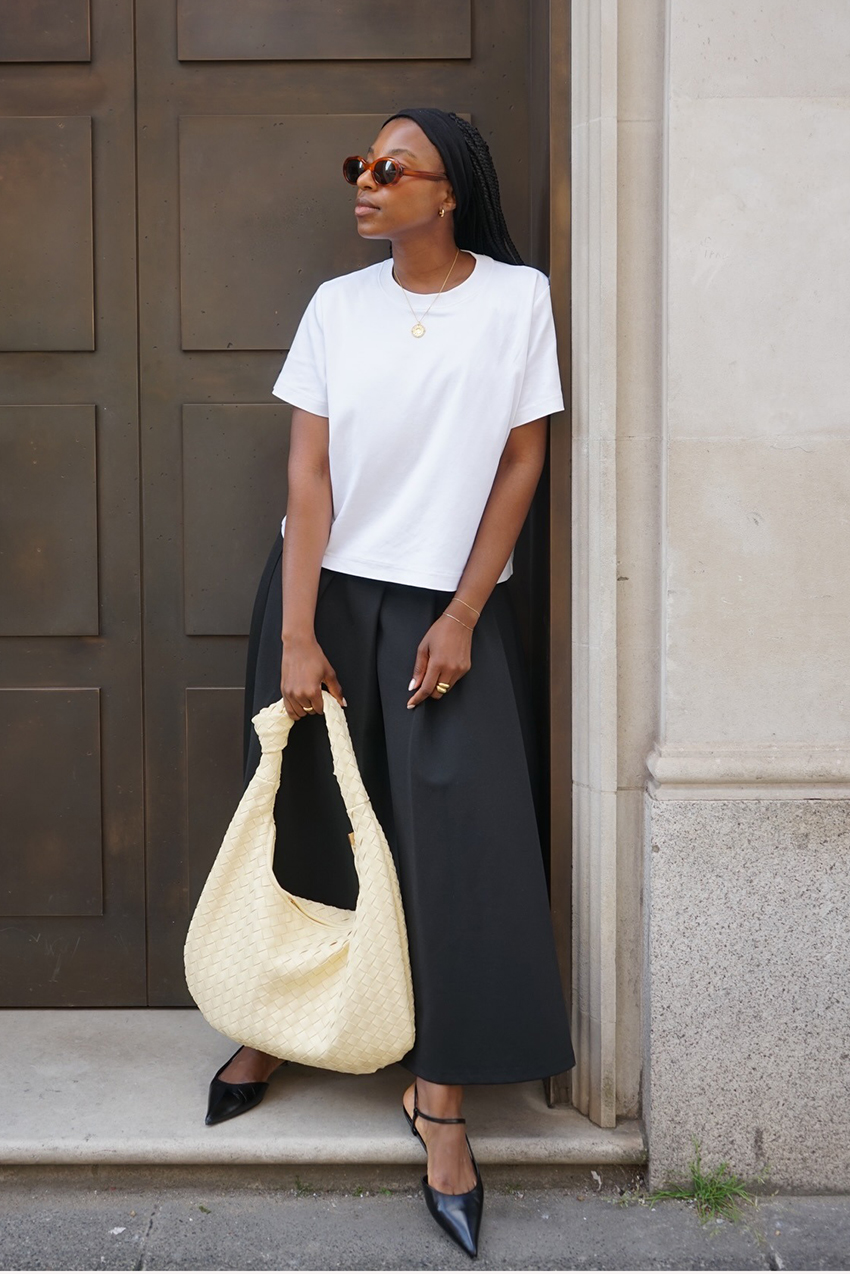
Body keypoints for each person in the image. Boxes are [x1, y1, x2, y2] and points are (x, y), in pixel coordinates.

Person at [203, 106, 576, 1259]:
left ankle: (444, 1104)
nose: (364, 182)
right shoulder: (337, 305)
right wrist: (297, 633)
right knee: (309, 819)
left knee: (458, 850)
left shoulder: (515, 299)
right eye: (359, 165)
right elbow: (306, 473)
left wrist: (468, 609)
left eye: (390, 167)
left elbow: (524, 455)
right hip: (326, 596)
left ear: (449, 189)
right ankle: (278, 1026)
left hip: (447, 608)